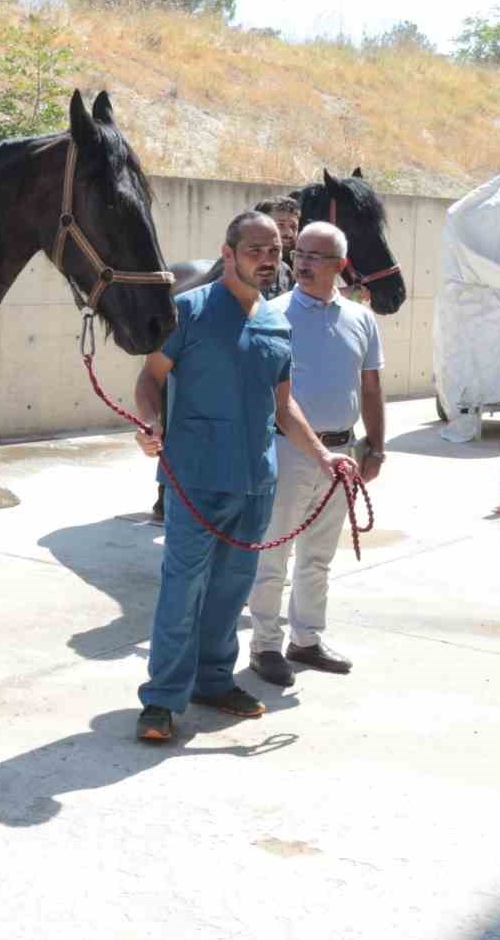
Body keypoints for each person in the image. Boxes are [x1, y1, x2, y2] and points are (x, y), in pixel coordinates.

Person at [132, 211, 355, 742]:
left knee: (232, 591)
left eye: (275, 250)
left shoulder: (278, 322)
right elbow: (149, 378)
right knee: (182, 591)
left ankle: (212, 682)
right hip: (195, 478)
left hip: (256, 481)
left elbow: (284, 406)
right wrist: (149, 421)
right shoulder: (187, 312)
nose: (267, 259)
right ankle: (162, 700)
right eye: (255, 248)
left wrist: (324, 456)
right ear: (227, 253)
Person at [245, 223, 385, 686]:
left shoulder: (361, 319)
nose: (302, 263)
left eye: (316, 256)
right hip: (288, 451)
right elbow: (267, 391)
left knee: (318, 555)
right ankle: (265, 645)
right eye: (299, 253)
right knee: (274, 552)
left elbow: (371, 385)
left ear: (340, 265)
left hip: (344, 453)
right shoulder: (273, 313)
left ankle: (306, 639)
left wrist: (376, 448)